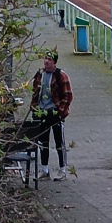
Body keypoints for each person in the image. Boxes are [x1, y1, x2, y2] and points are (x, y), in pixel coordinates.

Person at [31, 48, 73, 181]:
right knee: (43, 142)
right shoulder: (40, 75)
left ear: (54, 63)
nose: (46, 62)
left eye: (49, 60)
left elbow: (68, 96)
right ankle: (44, 170)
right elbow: (35, 93)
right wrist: (34, 109)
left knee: (59, 142)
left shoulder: (61, 75)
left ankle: (62, 170)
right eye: (45, 59)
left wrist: (60, 112)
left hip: (55, 114)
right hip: (42, 113)